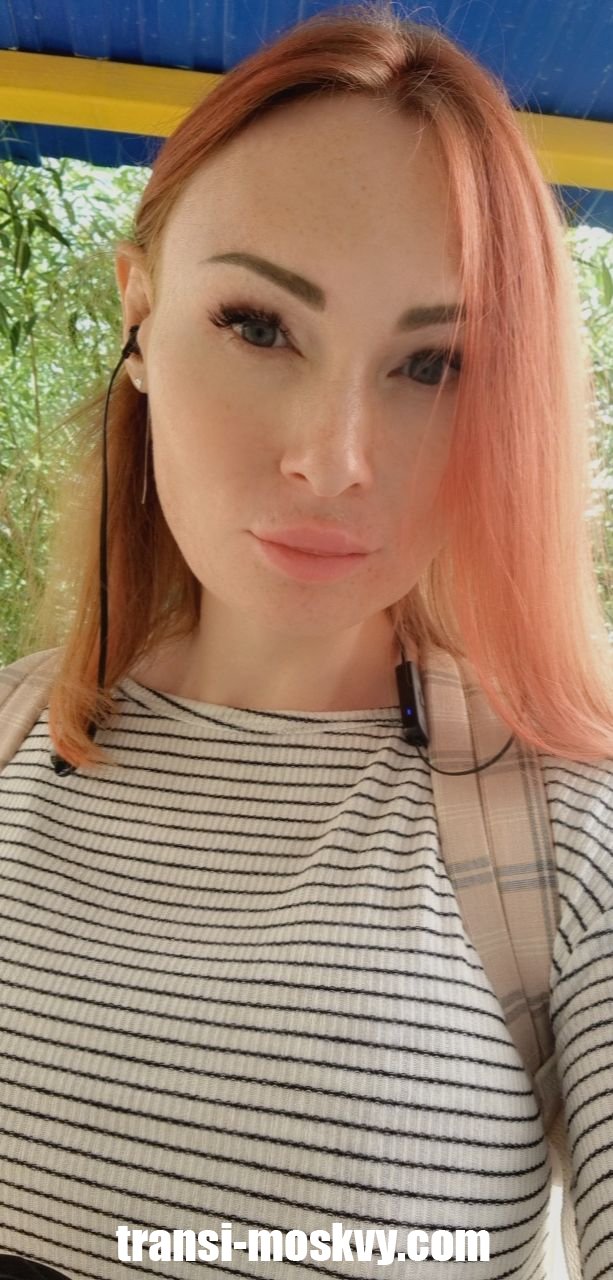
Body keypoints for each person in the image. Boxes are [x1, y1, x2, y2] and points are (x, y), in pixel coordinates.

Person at [1, 2, 612, 1278]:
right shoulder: (8, 735)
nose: (334, 462)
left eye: (434, 364)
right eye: (259, 324)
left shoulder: (565, 826)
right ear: (139, 313)